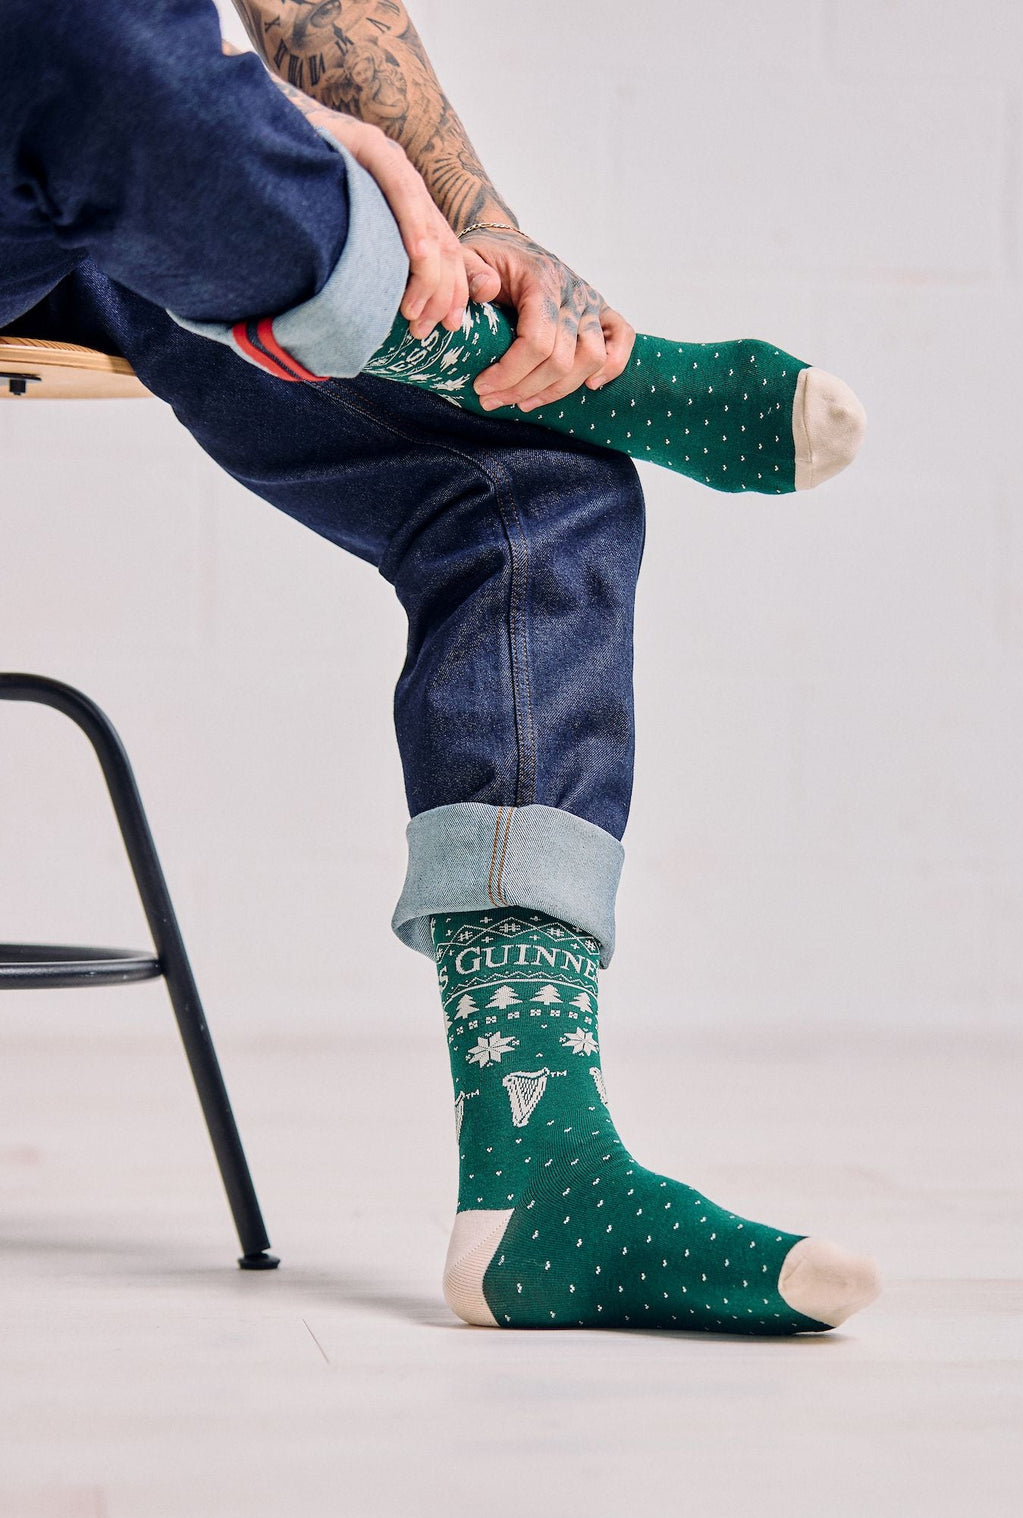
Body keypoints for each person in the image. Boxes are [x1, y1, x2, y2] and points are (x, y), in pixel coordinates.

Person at [1, 0, 879, 1334]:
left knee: (532, 483)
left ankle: (540, 1173)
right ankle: (466, 351)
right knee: (89, 30)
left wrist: (481, 242)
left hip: (84, 177)